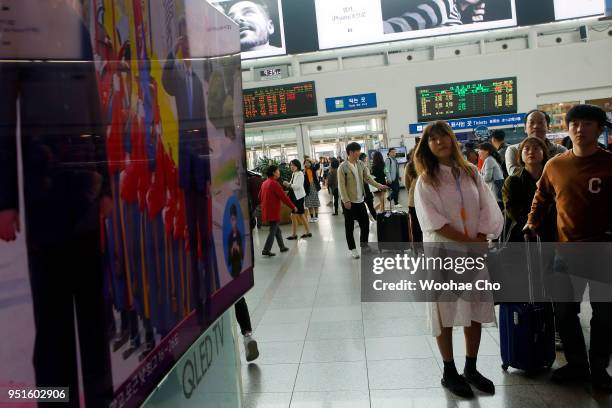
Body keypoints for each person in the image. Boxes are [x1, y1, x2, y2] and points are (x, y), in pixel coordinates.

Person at [0, 3, 113, 405]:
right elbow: (2, 117)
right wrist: (6, 202)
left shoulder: (74, 26)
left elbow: (94, 109)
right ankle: (54, 401)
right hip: (41, 196)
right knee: (52, 328)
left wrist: (107, 189)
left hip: (85, 190)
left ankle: (102, 400)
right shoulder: (14, 25)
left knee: (93, 319)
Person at [525, 104, 612, 391]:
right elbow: (542, 197)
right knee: (563, 311)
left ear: (599, 130)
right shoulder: (555, 165)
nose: (579, 129)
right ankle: (577, 364)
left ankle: (599, 368)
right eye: (574, 124)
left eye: (587, 124)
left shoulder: (609, 163)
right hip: (566, 251)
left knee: (604, 314)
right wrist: (531, 223)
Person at [414, 121, 503, 399]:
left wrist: (481, 236)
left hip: (473, 252)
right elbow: (433, 222)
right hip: (443, 252)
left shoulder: (471, 172)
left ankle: (471, 368)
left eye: (444, 137)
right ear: (427, 145)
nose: (440, 142)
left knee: (473, 308)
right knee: (446, 311)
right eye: (433, 139)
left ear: (452, 139)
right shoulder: (426, 179)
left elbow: (487, 206)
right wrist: (470, 242)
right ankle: (449, 371)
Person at [162, 17, 219, 319]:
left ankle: (209, 293)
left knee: (205, 233)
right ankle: (196, 299)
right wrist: (171, 52)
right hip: (186, 167)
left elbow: (206, 131)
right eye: (183, 39)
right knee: (191, 235)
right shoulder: (179, 79)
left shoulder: (197, 80)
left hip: (201, 167)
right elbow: (166, 84)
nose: (187, 44)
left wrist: (209, 175)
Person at [338, 143, 389, 259]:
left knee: (365, 224)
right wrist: (345, 200)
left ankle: (364, 247)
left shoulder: (360, 164)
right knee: (349, 226)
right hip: (349, 202)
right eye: (357, 151)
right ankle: (353, 249)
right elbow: (341, 185)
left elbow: (368, 178)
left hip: (360, 200)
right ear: (350, 152)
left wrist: (379, 185)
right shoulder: (343, 167)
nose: (359, 153)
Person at [502, 137, 555, 243]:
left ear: (544, 153)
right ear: (520, 154)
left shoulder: (553, 177)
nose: (531, 152)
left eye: (536, 148)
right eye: (526, 149)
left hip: (552, 231)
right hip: (522, 233)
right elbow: (512, 210)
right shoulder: (512, 180)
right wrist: (532, 225)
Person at [505, 110, 567, 176]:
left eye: (540, 122)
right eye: (531, 123)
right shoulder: (513, 150)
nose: (536, 126)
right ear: (525, 128)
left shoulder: (560, 151)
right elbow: (514, 175)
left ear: (548, 127)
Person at [259, 165, 296, 256]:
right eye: (278, 171)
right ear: (274, 173)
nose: (279, 172)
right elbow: (284, 197)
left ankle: (282, 247)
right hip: (273, 210)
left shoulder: (265, 183)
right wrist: (293, 206)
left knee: (277, 230)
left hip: (266, 210)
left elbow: (259, 196)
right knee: (273, 231)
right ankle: (266, 249)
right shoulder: (274, 183)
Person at [283, 159, 312, 239]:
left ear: (297, 166)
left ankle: (295, 234)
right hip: (295, 196)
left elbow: (298, 186)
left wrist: (288, 184)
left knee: (295, 215)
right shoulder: (294, 173)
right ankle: (307, 232)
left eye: (293, 165)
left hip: (298, 197)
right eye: (291, 165)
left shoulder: (300, 174)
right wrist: (289, 185)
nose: (292, 167)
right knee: (300, 214)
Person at [403, 150, 423, 242]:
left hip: (413, 200)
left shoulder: (409, 166)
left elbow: (407, 183)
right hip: (424, 201)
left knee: (415, 224)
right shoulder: (426, 165)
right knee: (423, 223)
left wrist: (410, 191)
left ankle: (417, 246)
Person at [227, 205, 244, 278]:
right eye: (232, 219)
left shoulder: (239, 235)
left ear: (236, 220)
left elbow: (243, 256)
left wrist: (238, 248)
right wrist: (231, 250)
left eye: (234, 219)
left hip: (240, 269)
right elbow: (228, 261)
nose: (233, 222)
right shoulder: (229, 237)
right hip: (233, 271)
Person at [359, 153, 378, 221]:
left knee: (365, 205)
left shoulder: (358, 166)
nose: (366, 159)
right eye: (366, 158)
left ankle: (369, 218)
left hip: (361, 188)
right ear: (363, 158)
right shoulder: (363, 166)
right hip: (365, 187)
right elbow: (367, 178)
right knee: (370, 205)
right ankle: (376, 219)